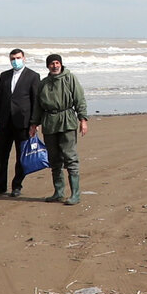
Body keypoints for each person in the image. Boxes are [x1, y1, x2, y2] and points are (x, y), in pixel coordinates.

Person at [29, 53, 89, 205]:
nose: (54, 66)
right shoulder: (43, 83)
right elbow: (38, 106)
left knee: (70, 157)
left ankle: (75, 194)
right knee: (54, 159)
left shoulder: (70, 78)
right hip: (49, 122)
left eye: (57, 63)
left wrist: (83, 119)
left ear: (61, 64)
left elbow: (79, 99)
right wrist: (34, 124)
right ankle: (59, 191)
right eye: (51, 63)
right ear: (47, 66)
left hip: (67, 120)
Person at [0, 48, 41, 198]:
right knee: (0, 155)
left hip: (23, 122)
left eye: (18, 58)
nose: (15, 61)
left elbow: (36, 101)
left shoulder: (33, 76)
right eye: (12, 58)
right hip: (4, 121)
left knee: (21, 156)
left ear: (24, 58)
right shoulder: (4, 76)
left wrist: (34, 123)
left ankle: (17, 185)